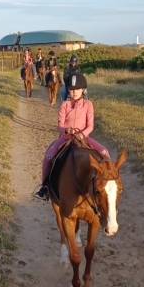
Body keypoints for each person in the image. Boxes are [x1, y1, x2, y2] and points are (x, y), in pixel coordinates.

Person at [33, 72, 109, 201]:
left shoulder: (88, 105)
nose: (74, 92)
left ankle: (108, 181)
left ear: (83, 89)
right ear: (67, 90)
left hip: (83, 138)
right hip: (66, 138)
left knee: (105, 152)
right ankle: (45, 187)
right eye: (71, 89)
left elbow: (90, 125)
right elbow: (60, 126)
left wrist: (82, 134)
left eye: (77, 89)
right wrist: (66, 130)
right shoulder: (64, 105)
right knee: (49, 156)